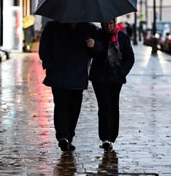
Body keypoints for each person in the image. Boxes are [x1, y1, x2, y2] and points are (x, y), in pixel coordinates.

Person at [39, 20, 95, 151]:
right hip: (59, 74)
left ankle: (69, 136)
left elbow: (94, 53)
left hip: (78, 75)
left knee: (74, 108)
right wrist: (50, 65)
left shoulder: (88, 28)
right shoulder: (53, 26)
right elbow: (44, 48)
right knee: (61, 106)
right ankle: (63, 137)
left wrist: (93, 46)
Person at [89, 19, 134, 152]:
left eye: (111, 23)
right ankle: (105, 138)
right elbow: (92, 54)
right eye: (106, 24)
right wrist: (92, 46)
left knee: (114, 106)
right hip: (100, 78)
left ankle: (112, 137)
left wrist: (121, 73)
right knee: (104, 107)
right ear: (102, 25)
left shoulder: (122, 37)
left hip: (116, 78)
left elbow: (130, 58)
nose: (108, 27)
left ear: (114, 23)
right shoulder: (96, 35)